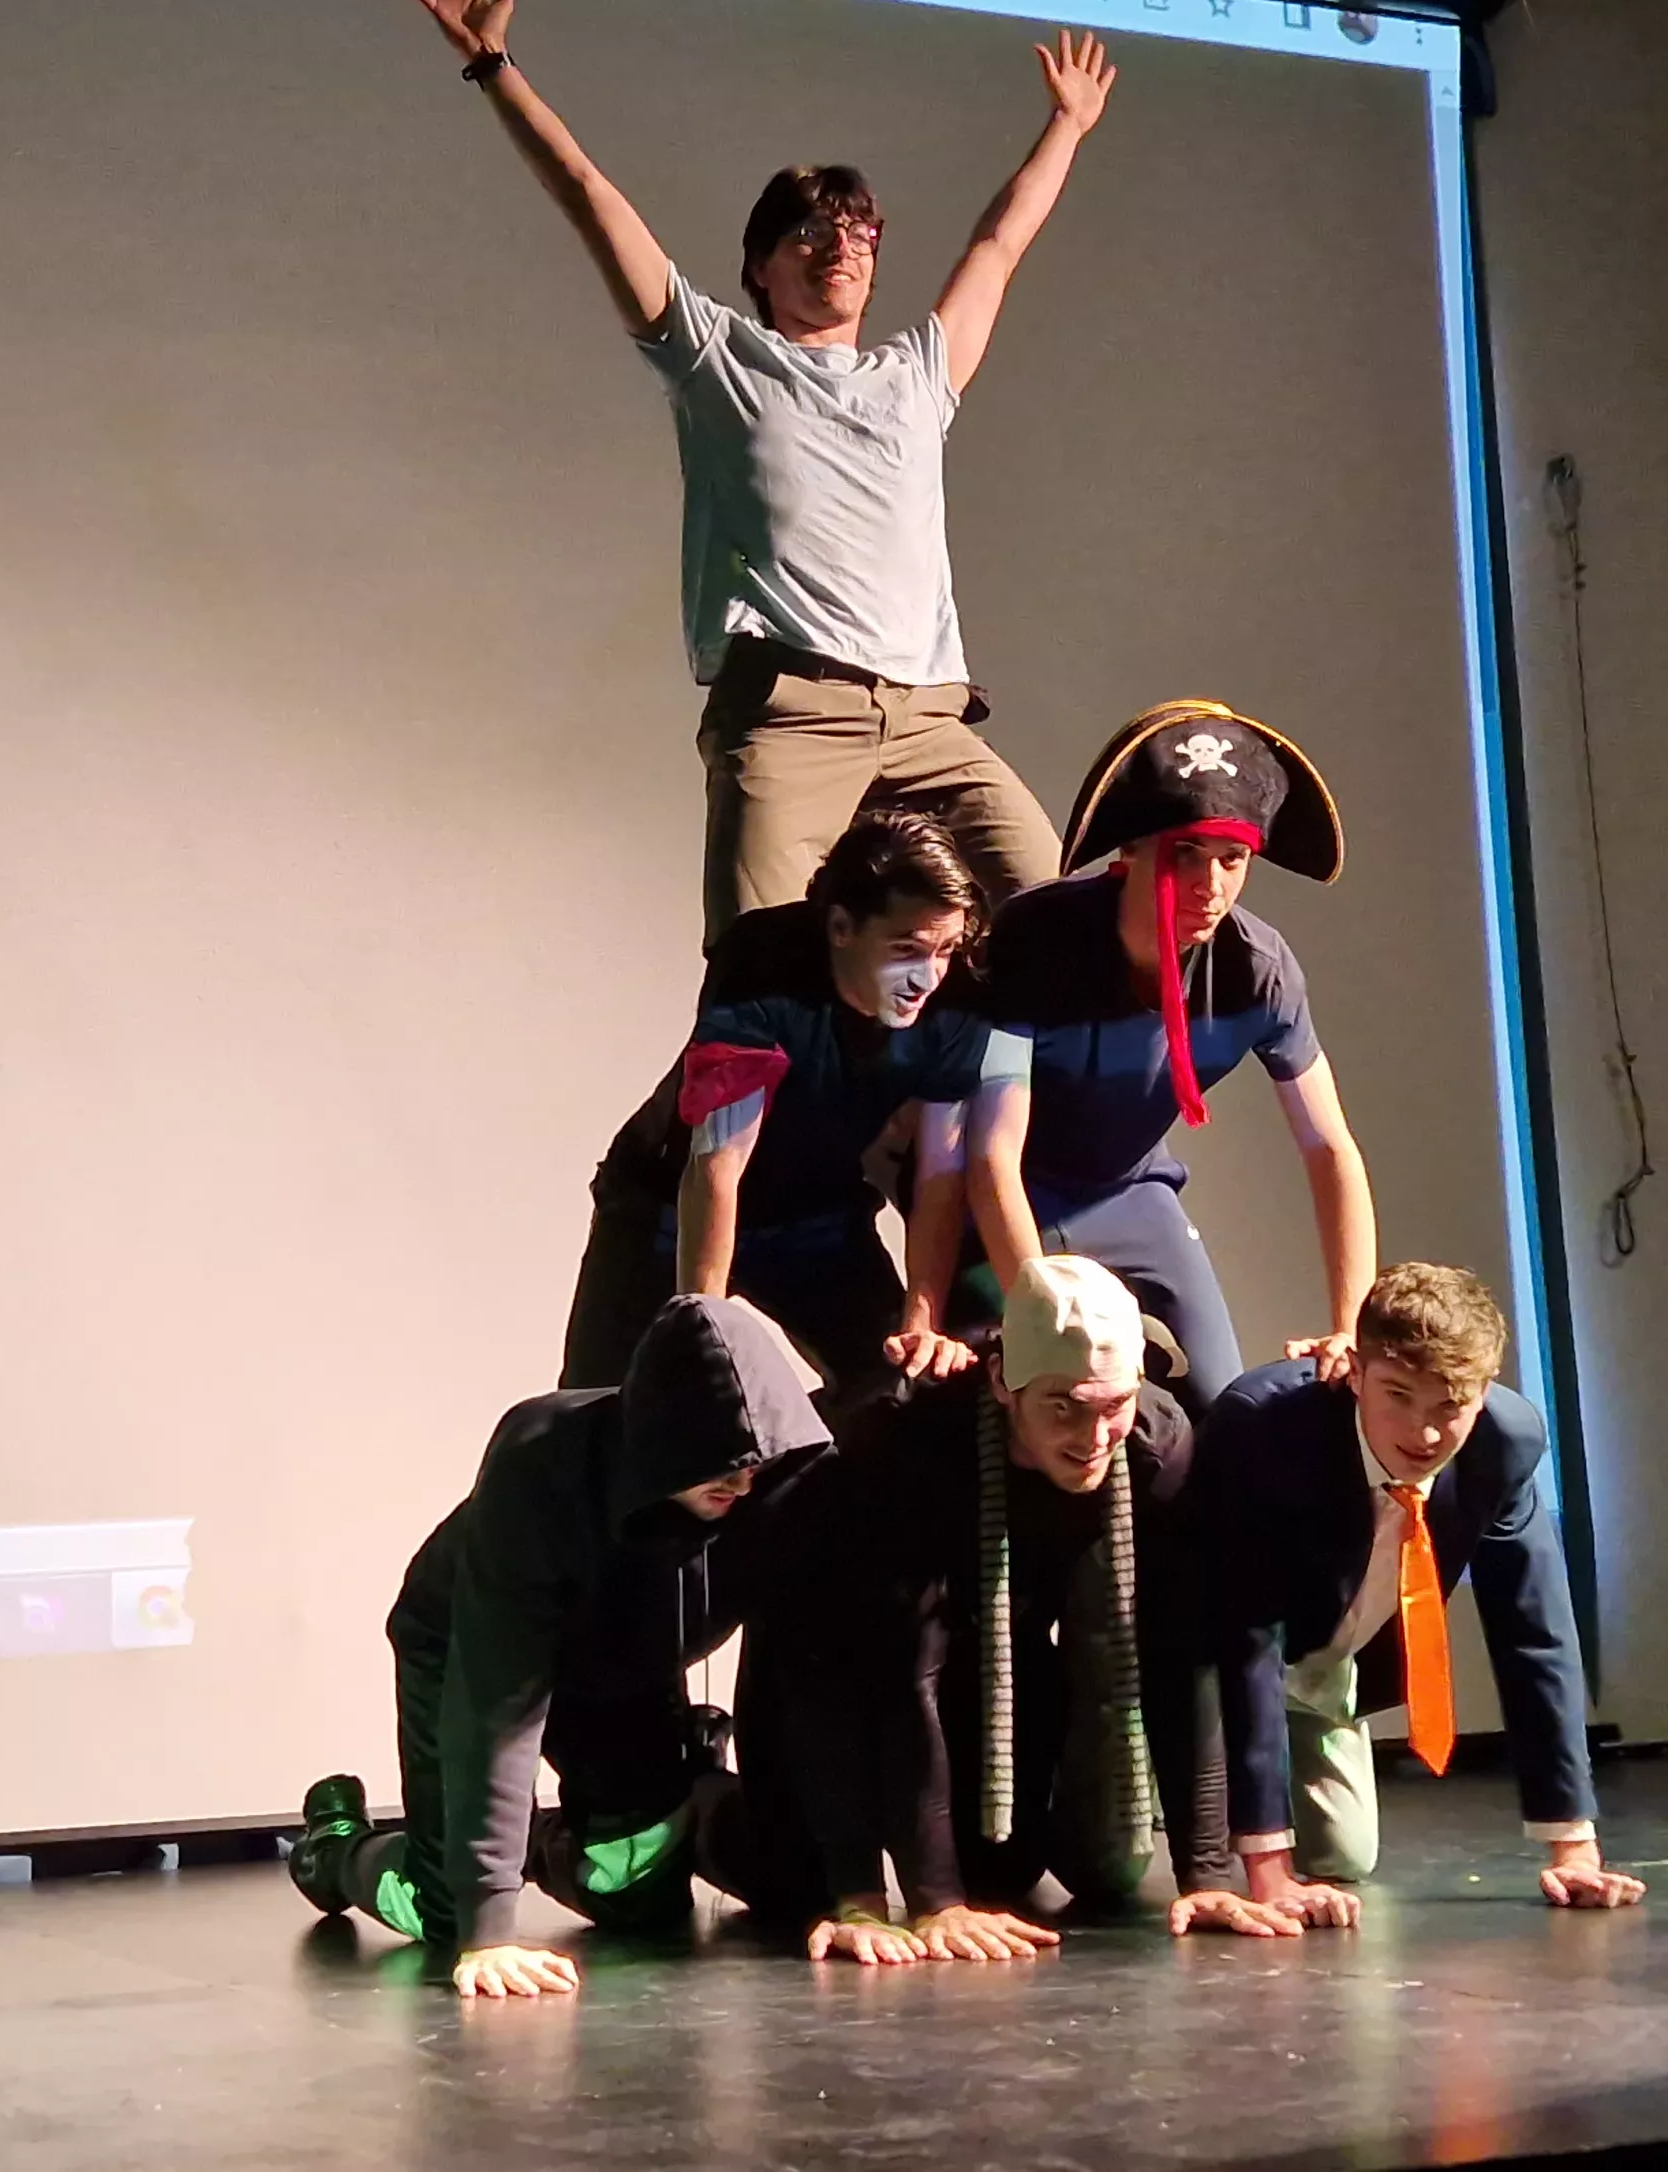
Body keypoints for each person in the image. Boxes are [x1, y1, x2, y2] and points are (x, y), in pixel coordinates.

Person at [398, 0, 1104, 943]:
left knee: (1055, 922)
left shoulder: (916, 376)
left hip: (929, 723)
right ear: (760, 269)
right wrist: (493, 68)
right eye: (809, 231)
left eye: (859, 230)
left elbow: (997, 246)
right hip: (790, 716)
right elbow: (588, 193)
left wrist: (1066, 126)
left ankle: (953, 1103)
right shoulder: (717, 357)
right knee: (757, 980)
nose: (840, 246)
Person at [290, 1296, 847, 1997]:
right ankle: (332, 1848)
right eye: (721, 1468)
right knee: (445, 1911)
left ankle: (575, 1830)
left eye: (753, 1466)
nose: (742, 1483)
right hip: (466, 1647)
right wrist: (489, 1927)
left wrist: (844, 1894)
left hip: (626, 1664)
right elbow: (495, 1701)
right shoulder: (540, 1462)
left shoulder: (779, 1485)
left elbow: (810, 1679)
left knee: (637, 1895)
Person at [780, 1257, 1300, 1961]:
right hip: (829, 1675)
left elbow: (1182, 1657)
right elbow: (902, 1677)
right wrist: (929, 1902)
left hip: (1003, 1658)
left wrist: (1205, 1873)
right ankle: (708, 1808)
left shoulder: (1156, 1448)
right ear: (1002, 1382)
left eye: (1111, 1406)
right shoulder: (913, 1443)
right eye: (1063, 1405)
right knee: (788, 1879)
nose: (1091, 1439)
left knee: (1009, 1874)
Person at [941, 700, 1375, 1396]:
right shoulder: (1039, 939)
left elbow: (1329, 1148)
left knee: (1225, 1403)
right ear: (1132, 850)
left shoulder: (1258, 969)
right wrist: (1042, 1307)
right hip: (1006, 1191)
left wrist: (1350, 1323)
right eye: (1187, 856)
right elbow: (991, 1152)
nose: (1211, 887)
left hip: (1133, 1193)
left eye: (1233, 860)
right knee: (1005, 1396)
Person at [1195, 1265, 1647, 1924]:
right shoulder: (1266, 1430)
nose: (1424, 1433)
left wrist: (1574, 1850)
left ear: (1484, 1393)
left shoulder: (1505, 1442)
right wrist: (1270, 1873)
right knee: (1111, 1859)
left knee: (1345, 1856)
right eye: (1398, 1396)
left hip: (1323, 1670)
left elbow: (1534, 1632)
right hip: (1203, 1663)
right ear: (1355, 1372)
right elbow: (1245, 1633)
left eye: (1449, 1406)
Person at [557, 811, 995, 1404]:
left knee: (898, 1390)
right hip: (665, 1211)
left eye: (944, 949)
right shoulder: (763, 960)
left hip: (815, 1220)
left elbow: (941, 1174)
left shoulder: (959, 994)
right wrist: (700, 1331)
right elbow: (717, 1165)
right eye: (906, 949)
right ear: (841, 927)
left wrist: (920, 1321)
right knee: (602, 1411)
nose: (928, 976)